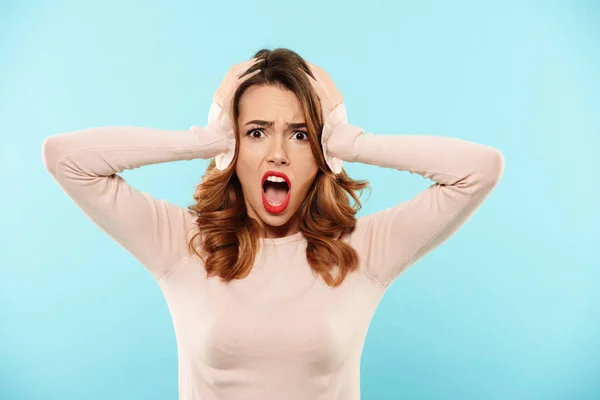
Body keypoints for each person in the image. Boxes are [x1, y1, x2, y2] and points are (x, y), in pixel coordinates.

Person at [42, 48, 504, 400]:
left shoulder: (365, 250)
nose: (278, 152)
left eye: (300, 134)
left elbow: (479, 169)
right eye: (256, 132)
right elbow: (66, 159)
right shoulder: (181, 243)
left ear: (320, 153)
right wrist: (204, 140)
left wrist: (347, 140)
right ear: (234, 149)